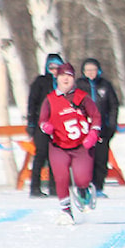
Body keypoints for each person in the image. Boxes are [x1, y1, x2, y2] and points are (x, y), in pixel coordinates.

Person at [37, 62, 101, 223]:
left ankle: (84, 189)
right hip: (59, 145)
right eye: (62, 76)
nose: (66, 79)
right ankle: (65, 210)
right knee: (61, 177)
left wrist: (93, 133)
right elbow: (42, 119)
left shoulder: (82, 97)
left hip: (81, 145)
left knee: (82, 179)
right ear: (57, 78)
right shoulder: (50, 99)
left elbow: (96, 116)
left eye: (69, 76)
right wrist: (46, 126)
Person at [76, 58, 120, 198]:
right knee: (84, 160)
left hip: (102, 129)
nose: (91, 73)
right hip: (84, 130)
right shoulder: (78, 85)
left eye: (93, 70)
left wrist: (111, 125)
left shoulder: (105, 85)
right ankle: (83, 188)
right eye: (88, 70)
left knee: (101, 159)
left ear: (98, 71)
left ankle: (98, 187)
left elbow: (113, 106)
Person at [26, 53, 63, 197]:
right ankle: (35, 187)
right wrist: (31, 122)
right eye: (52, 67)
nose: (54, 70)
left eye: (57, 67)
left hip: (59, 125)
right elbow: (32, 102)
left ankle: (54, 188)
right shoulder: (40, 82)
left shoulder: (64, 82)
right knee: (41, 154)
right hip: (42, 124)